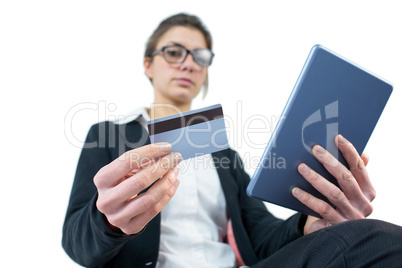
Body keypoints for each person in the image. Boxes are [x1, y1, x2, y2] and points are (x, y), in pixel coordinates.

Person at [62, 13, 402, 267]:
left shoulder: (222, 153)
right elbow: (75, 242)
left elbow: (262, 237)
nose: (189, 64)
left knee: (375, 239)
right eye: (174, 52)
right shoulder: (109, 135)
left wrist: (310, 223)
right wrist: (106, 222)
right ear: (148, 64)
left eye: (200, 56)